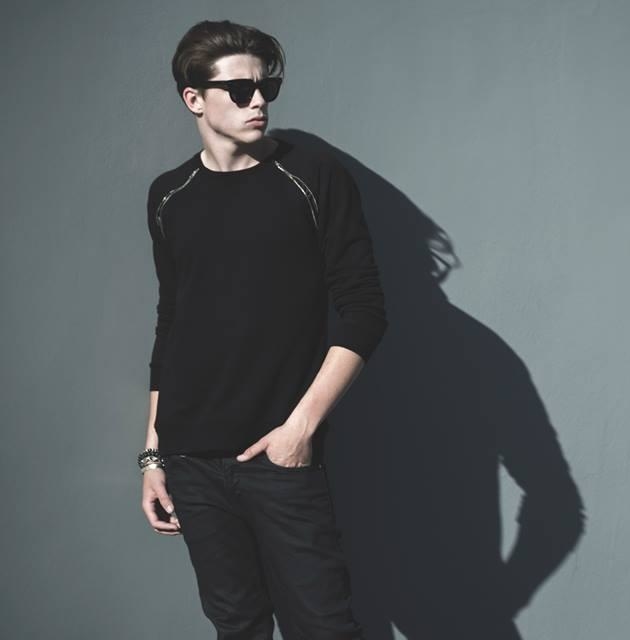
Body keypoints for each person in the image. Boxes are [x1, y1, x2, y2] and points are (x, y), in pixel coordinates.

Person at [138, 19, 387, 639]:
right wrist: (153, 454)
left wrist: (300, 430)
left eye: (266, 88)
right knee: (238, 626)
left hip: (278, 456)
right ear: (194, 99)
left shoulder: (313, 178)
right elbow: (173, 323)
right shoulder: (169, 195)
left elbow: (364, 310)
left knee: (323, 628)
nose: (259, 102)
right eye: (240, 90)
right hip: (191, 460)